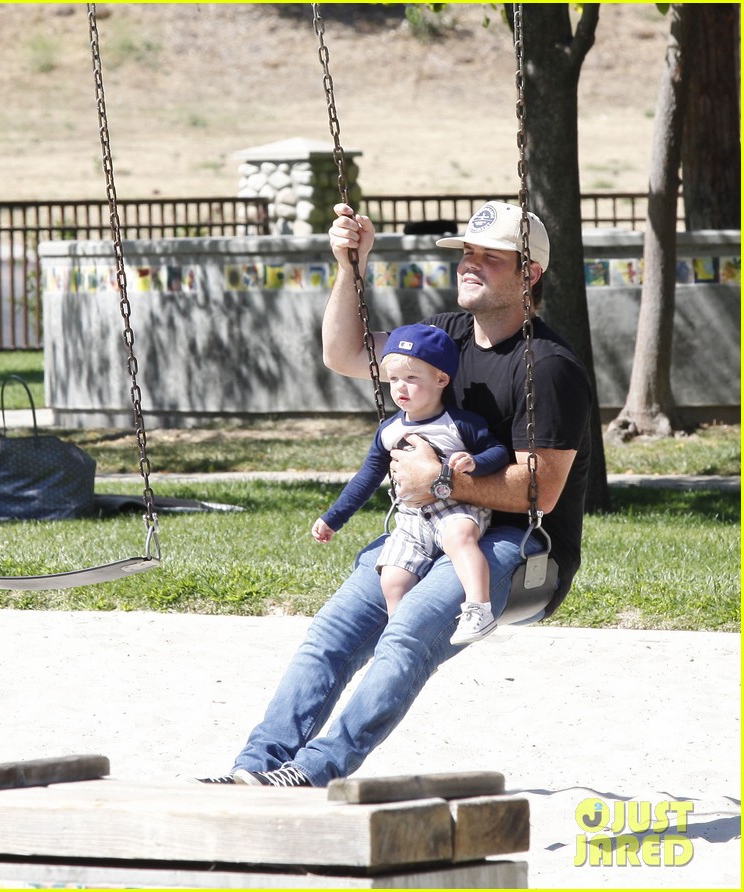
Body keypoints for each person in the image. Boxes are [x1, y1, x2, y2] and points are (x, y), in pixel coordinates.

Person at [198, 200, 592, 787]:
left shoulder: (548, 367)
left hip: (514, 544)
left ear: (529, 274)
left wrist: (440, 480)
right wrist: (350, 266)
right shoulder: (445, 336)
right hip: (423, 529)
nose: (470, 264)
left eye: (492, 258)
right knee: (330, 635)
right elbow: (346, 354)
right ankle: (256, 766)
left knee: (405, 635)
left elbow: (541, 491)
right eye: (467, 252)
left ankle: (312, 772)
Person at [311, 323, 510, 645]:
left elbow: (499, 451)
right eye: (394, 379)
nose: (400, 387)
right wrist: (333, 518)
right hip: (411, 518)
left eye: (412, 378)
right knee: (392, 576)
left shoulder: (460, 423)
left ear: (441, 380)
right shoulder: (389, 431)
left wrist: (476, 463)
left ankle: (479, 608)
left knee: (460, 537)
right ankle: (402, 634)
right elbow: (366, 478)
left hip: (456, 507)